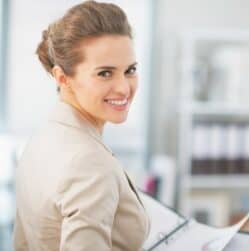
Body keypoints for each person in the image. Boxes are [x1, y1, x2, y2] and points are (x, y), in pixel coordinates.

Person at [13, 1, 150, 250]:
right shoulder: (90, 164)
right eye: (105, 73)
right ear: (63, 77)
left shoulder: (43, 137)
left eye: (130, 70)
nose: (124, 88)